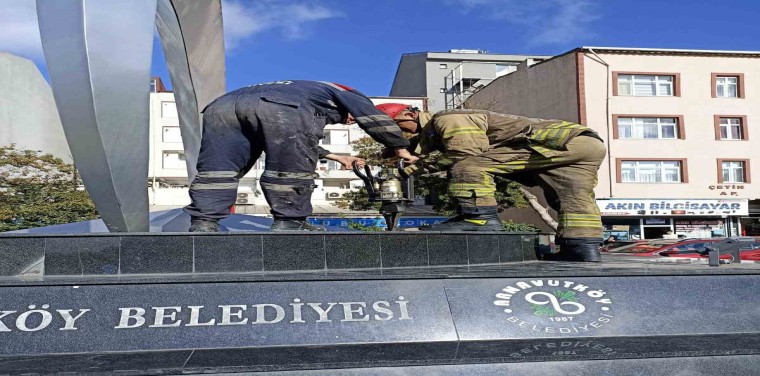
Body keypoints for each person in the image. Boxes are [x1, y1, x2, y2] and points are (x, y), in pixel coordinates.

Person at [375, 103, 606, 262]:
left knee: (468, 165)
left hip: (552, 142)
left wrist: (414, 169)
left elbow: (464, 151)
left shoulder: (447, 118)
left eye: (395, 126)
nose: (398, 132)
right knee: (573, 198)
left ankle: (479, 219)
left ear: (409, 114)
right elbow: (425, 144)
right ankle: (582, 248)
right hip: (584, 144)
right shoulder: (435, 130)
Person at [185, 80, 410, 232]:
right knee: (290, 170)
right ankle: (289, 221)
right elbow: (372, 117)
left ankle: (204, 222)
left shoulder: (302, 88)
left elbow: (284, 140)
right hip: (281, 107)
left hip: (220, 107)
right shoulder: (347, 92)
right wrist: (400, 147)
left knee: (218, 169)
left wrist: (339, 157)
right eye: (350, 118)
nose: (350, 121)